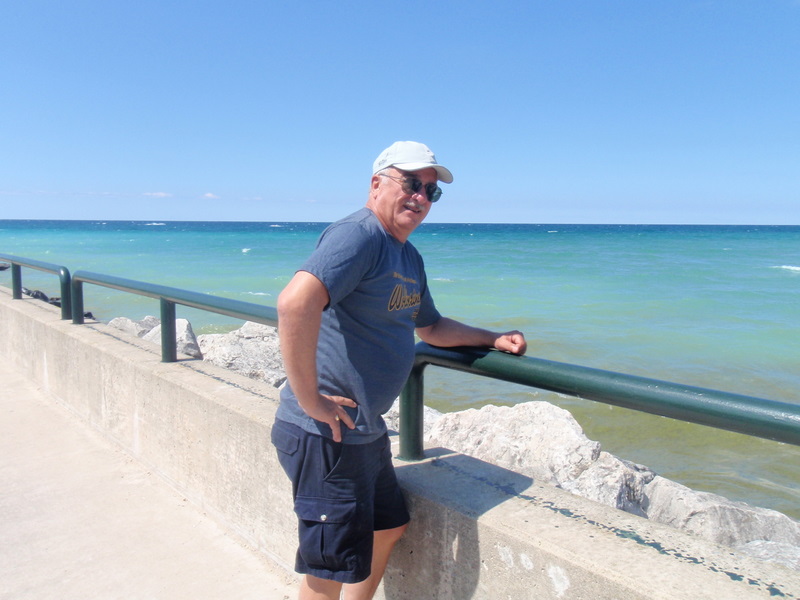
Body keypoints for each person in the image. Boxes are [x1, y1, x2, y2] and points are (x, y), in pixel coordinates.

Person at [272, 141, 527, 600]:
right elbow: (294, 304)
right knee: (327, 573)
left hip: (364, 433)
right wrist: (311, 400)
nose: (421, 197)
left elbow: (430, 326)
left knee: (388, 527)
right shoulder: (360, 234)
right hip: (327, 435)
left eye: (431, 191)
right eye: (412, 184)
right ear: (377, 184)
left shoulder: (407, 256)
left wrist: (491, 338)